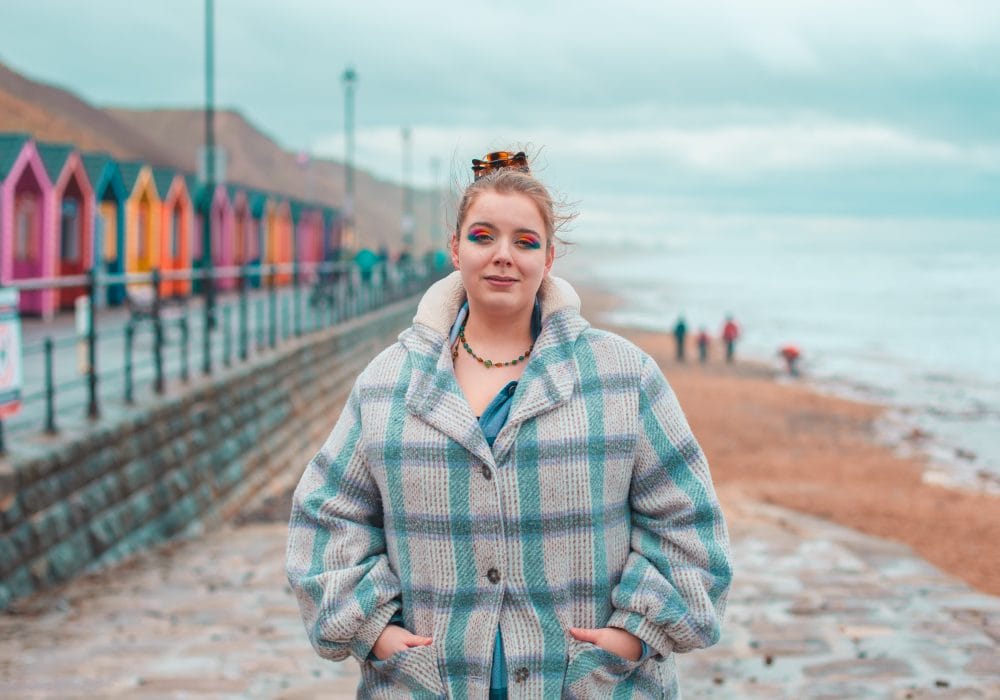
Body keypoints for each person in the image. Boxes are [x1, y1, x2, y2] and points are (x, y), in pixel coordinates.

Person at [286, 150, 732, 698]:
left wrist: (634, 634)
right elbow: (325, 516)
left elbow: (690, 525)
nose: (503, 256)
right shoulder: (388, 382)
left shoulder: (624, 377)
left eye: (525, 242)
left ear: (549, 258)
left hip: (590, 686)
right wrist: (373, 630)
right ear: (455, 249)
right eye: (482, 236)